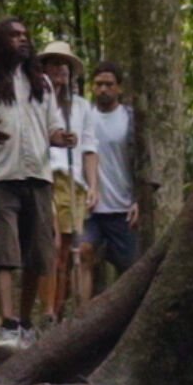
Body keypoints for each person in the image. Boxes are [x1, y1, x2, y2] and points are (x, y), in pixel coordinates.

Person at [0, 17, 73, 348]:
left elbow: (51, 128)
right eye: (14, 36)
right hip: (0, 178)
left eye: (26, 35)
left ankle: (24, 323)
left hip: (38, 177)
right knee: (2, 252)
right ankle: (7, 324)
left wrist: (61, 137)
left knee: (38, 254)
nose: (23, 40)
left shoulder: (43, 85)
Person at [36, 38, 98, 325]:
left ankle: (58, 314)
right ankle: (46, 312)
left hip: (74, 183)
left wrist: (93, 185)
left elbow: (89, 147)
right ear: (44, 68)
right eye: (55, 63)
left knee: (68, 251)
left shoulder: (82, 107)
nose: (61, 69)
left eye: (65, 65)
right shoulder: (36, 100)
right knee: (52, 244)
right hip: (46, 176)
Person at [78, 60, 138, 302]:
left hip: (122, 206)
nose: (103, 89)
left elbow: (143, 162)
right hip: (89, 206)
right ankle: (79, 320)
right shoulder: (83, 117)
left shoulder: (131, 118)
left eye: (109, 84)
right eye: (99, 84)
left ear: (119, 88)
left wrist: (139, 200)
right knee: (82, 254)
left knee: (129, 267)